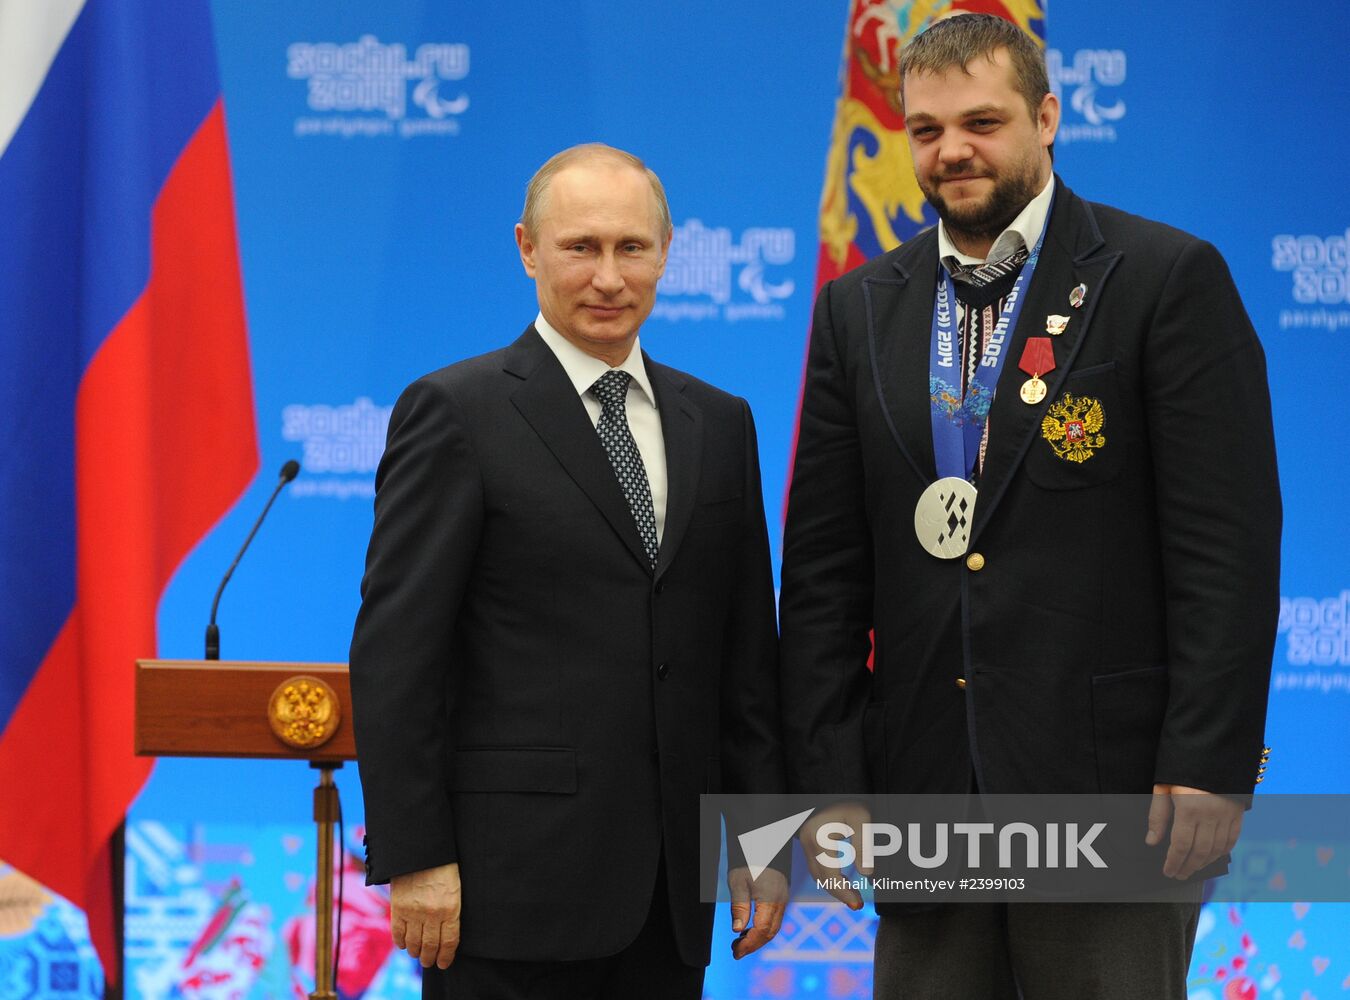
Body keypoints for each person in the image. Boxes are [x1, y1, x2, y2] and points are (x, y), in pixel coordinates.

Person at [779, 14, 1280, 999]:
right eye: (926, 130)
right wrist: (831, 775)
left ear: (1046, 117)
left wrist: (1210, 762)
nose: (953, 151)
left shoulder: (1164, 279)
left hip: (1116, 792)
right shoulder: (859, 307)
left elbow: (1226, 547)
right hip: (920, 789)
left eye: (983, 121)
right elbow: (825, 570)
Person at [349, 143, 787, 999]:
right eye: (580, 247)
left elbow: (745, 664)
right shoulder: (456, 412)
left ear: (667, 253)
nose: (608, 277)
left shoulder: (722, 424)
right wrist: (417, 856)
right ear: (527, 249)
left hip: (669, 899)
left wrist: (762, 843)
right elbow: (399, 656)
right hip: (504, 894)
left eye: (632, 248)